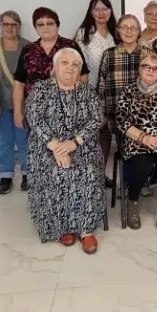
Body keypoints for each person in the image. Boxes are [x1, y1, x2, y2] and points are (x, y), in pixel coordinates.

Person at [25, 48, 105, 254]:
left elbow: (97, 118)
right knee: (56, 171)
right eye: (65, 63)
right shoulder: (41, 89)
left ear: (79, 69)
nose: (70, 68)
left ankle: (86, 229)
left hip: (81, 145)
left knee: (87, 171)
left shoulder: (87, 91)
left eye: (75, 64)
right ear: (55, 66)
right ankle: (62, 227)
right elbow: (34, 118)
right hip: (47, 147)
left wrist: (74, 143)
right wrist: (55, 147)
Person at [117, 53, 157, 230]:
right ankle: (132, 203)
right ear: (140, 69)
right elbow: (122, 121)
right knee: (141, 166)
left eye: (155, 68)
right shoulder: (128, 92)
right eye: (147, 67)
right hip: (137, 139)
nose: (151, 71)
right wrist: (144, 138)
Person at [97, 14, 154, 195]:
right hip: (117, 115)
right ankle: (129, 182)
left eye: (133, 28)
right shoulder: (109, 54)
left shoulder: (147, 53)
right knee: (125, 148)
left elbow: (156, 84)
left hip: (144, 115)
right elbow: (101, 87)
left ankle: (141, 181)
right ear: (118, 31)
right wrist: (101, 114)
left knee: (143, 147)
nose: (129, 31)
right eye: (125, 27)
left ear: (139, 32)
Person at [14, 7, 89, 132]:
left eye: (50, 23)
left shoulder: (70, 46)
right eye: (40, 24)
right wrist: (17, 111)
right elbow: (19, 83)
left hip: (68, 111)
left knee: (66, 143)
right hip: (36, 113)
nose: (45, 27)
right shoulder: (28, 50)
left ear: (57, 25)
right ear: (35, 28)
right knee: (39, 144)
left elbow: (83, 76)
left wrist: (81, 105)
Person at [0, 11, 31, 194]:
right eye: (6, 24)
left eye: (13, 24)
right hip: (1, 103)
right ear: (0, 25)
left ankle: (28, 173)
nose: (10, 28)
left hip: (24, 103)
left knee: (25, 139)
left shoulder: (28, 46)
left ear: (19, 26)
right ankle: (6, 175)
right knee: (4, 140)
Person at [75, 0, 117, 187]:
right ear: (90, 12)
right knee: (90, 133)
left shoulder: (115, 32)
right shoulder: (84, 33)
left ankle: (101, 174)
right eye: (96, 9)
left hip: (111, 92)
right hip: (90, 91)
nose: (101, 12)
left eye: (105, 8)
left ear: (110, 11)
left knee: (106, 133)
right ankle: (88, 175)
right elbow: (78, 63)